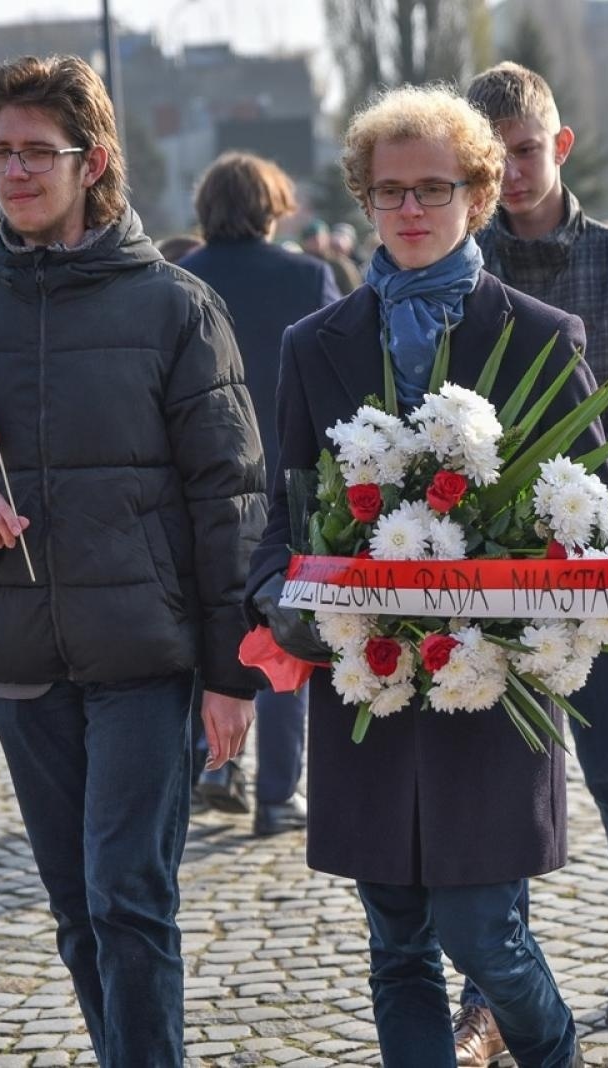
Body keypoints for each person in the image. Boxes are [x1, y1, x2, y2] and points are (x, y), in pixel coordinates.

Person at [0, 54, 265, 1067]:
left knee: (127, 901)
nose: (13, 171)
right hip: (22, 661)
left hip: (145, 660)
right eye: (0, 153)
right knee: (75, 914)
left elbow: (229, 504)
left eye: (34, 153)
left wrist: (232, 677)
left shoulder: (176, 308)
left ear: (91, 160)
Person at [245, 83, 593, 1068]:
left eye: (432, 188)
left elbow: (594, 512)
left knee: (484, 932)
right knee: (396, 946)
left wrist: (539, 607)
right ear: (363, 198)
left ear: (478, 196)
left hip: (489, 695)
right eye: (388, 190)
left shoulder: (539, 335)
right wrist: (285, 601)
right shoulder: (314, 346)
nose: (409, 209)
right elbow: (280, 512)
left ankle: (556, 1055)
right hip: (368, 693)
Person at [457, 61, 608, 1064]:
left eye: (523, 147)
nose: (509, 169)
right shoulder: (462, 260)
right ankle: (491, 987)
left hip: (598, 559)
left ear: (560, 143)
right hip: (489, 560)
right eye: (491, 152)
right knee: (495, 773)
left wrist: (591, 549)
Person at [177, 150, 340, 836]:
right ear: (273, 206)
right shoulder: (309, 276)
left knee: (209, 626)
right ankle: (278, 793)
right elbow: (339, 379)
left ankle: (216, 766)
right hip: (287, 480)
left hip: (199, 481)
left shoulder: (177, 280)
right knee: (283, 633)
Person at [300, 218, 363, 295]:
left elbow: (354, 292)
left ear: (327, 238)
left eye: (318, 237)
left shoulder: (339, 264)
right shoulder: (300, 265)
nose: (315, 242)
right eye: (310, 238)